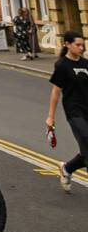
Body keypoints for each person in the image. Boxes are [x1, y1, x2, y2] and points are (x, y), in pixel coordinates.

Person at [46, 32, 88, 194]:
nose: (81, 48)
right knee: (86, 138)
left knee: (86, 150)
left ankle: (67, 168)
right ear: (67, 44)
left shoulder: (86, 63)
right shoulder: (62, 65)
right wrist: (50, 116)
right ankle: (68, 168)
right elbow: (56, 91)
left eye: (82, 45)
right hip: (74, 110)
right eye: (77, 45)